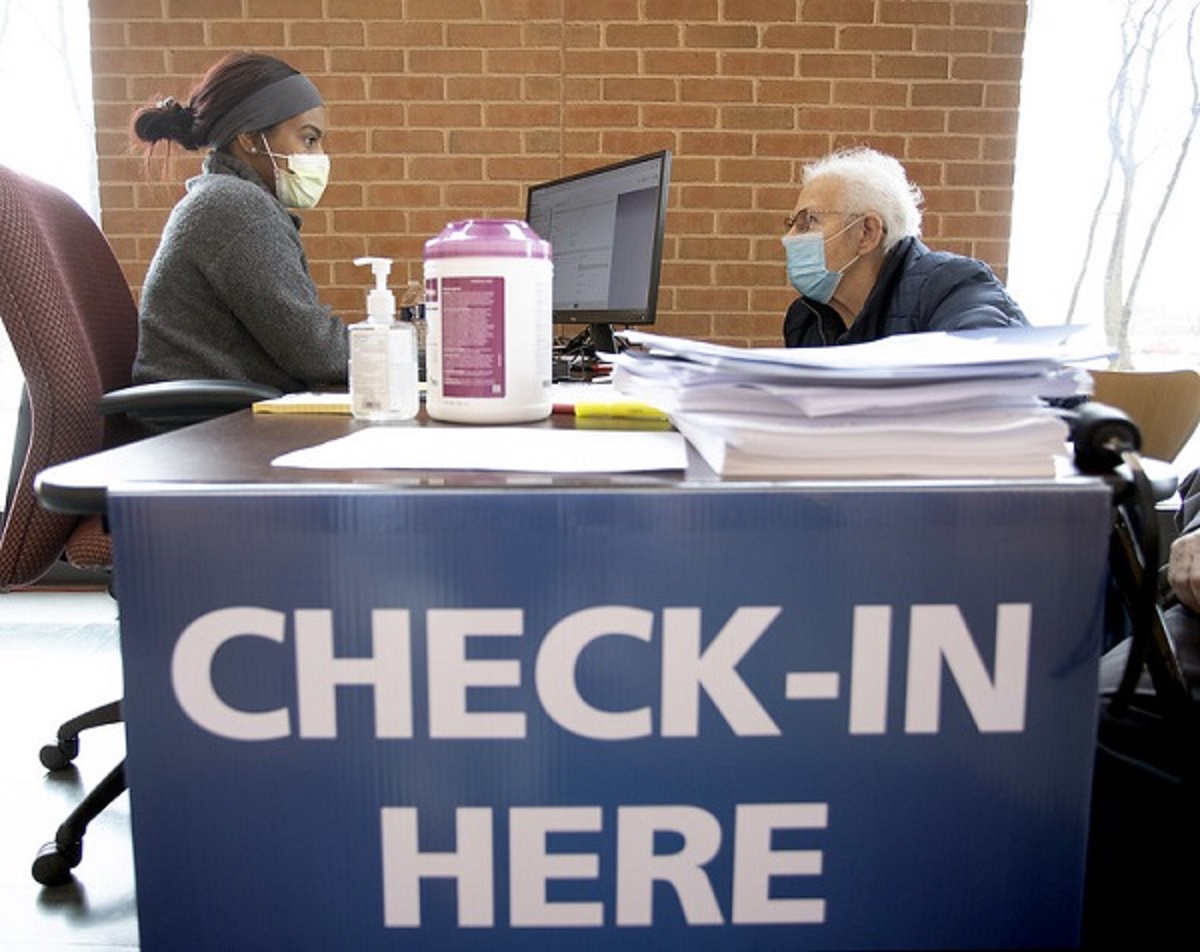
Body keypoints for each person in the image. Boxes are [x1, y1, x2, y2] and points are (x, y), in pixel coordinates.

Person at [130, 52, 349, 392]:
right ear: (248, 138)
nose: (319, 156)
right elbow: (320, 354)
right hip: (208, 427)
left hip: (219, 416)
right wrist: (414, 353)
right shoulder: (237, 208)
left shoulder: (226, 200)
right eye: (308, 139)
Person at [781, 146, 1029, 347]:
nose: (788, 238)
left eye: (808, 221)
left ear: (866, 232)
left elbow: (989, 379)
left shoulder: (951, 288)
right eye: (790, 224)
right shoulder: (806, 320)